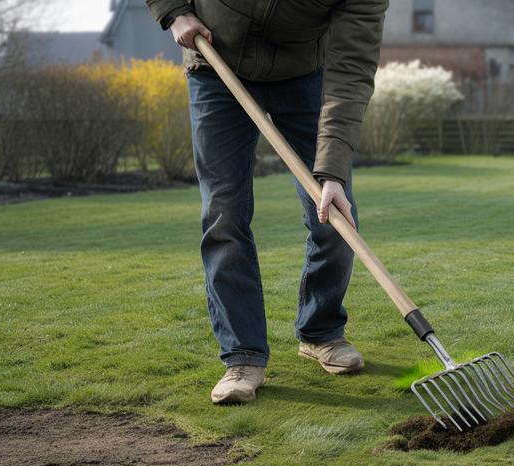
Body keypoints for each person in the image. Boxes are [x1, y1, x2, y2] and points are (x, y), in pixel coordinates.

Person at [144, 0, 389, 404]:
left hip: (304, 71)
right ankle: (242, 357)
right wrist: (173, 10)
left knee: (334, 212)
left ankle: (320, 331)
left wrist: (332, 173)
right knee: (224, 214)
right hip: (216, 59)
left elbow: (352, 69)